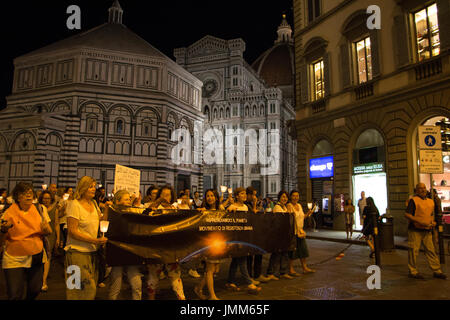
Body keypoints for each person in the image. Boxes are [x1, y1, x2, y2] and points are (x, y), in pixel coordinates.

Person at [0, 182, 52, 300]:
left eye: (30, 192)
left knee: (35, 289)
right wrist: (4, 230)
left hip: (35, 255)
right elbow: (2, 238)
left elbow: (49, 231)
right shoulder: (9, 213)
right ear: (18, 197)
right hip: (14, 257)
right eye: (24, 193)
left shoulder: (40, 209)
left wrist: (45, 230)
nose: (28, 195)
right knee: (15, 294)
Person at [64, 176, 108, 300]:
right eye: (90, 187)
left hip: (92, 253)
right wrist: (95, 240)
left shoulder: (94, 204)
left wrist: (107, 209)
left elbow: (101, 222)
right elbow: (72, 232)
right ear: (83, 188)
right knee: (78, 289)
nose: (94, 189)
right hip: (76, 253)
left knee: (87, 289)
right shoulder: (74, 205)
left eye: (94, 186)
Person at [147, 185, 186, 300]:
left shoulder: (175, 209)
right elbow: (146, 215)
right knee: (153, 276)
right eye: (162, 195)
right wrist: (156, 203)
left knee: (175, 276)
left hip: (171, 248)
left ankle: (181, 298)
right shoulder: (153, 207)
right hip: (156, 248)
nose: (165, 197)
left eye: (167, 195)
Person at [405, 183, 446, 280]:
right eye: (420, 188)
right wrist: (419, 221)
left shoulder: (431, 201)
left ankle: (437, 270)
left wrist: (434, 222)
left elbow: (432, 215)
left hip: (427, 230)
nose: (423, 190)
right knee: (413, 251)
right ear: (416, 190)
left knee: (431, 251)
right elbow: (407, 215)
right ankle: (413, 271)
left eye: (424, 188)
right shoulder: (413, 201)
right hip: (415, 230)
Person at [107, 190, 143, 300]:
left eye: (129, 199)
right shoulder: (112, 212)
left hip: (131, 251)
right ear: (117, 201)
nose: (129, 201)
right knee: (116, 285)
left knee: (137, 284)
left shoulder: (133, 212)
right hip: (117, 251)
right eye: (126, 199)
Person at [226, 187, 261, 294]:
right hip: (236, 237)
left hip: (244, 237)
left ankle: (230, 281)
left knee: (236, 260)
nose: (244, 195)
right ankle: (249, 283)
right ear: (237, 196)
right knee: (242, 260)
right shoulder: (232, 207)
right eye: (242, 193)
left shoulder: (246, 207)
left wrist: (254, 206)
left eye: (245, 193)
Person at [194, 189, 225, 300]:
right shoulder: (204, 210)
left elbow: (227, 217)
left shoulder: (220, 209)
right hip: (208, 243)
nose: (210, 198)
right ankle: (212, 295)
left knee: (215, 269)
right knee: (210, 269)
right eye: (207, 196)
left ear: (216, 197)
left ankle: (198, 288)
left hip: (218, 242)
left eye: (212, 195)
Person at [266, 190, 293, 280]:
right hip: (278, 234)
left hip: (285, 234)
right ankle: (271, 272)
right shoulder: (277, 207)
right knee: (276, 254)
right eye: (283, 197)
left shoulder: (285, 207)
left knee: (285, 253)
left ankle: (283, 272)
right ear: (279, 198)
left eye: (286, 197)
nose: (284, 199)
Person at [245, 187, 270, 284]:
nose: (255, 197)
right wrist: (255, 205)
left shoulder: (250, 204)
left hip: (255, 233)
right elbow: (251, 216)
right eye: (253, 194)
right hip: (248, 234)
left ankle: (257, 274)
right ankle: (249, 277)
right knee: (249, 256)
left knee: (258, 253)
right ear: (249, 195)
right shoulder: (246, 205)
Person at [287, 190, 315, 275]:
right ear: (291, 197)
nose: (296, 197)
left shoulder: (299, 205)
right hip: (293, 232)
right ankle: (291, 269)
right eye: (294, 196)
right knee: (292, 251)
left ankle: (304, 267)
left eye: (297, 196)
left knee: (303, 250)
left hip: (300, 231)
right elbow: (289, 219)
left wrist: (308, 213)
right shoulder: (289, 206)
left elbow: (302, 217)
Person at [39, 190, 60, 292]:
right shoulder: (39, 209)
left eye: (48, 198)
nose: (46, 200)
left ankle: (44, 281)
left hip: (51, 236)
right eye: (44, 198)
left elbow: (56, 224)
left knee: (47, 257)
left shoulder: (54, 209)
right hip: (40, 235)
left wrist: (58, 238)